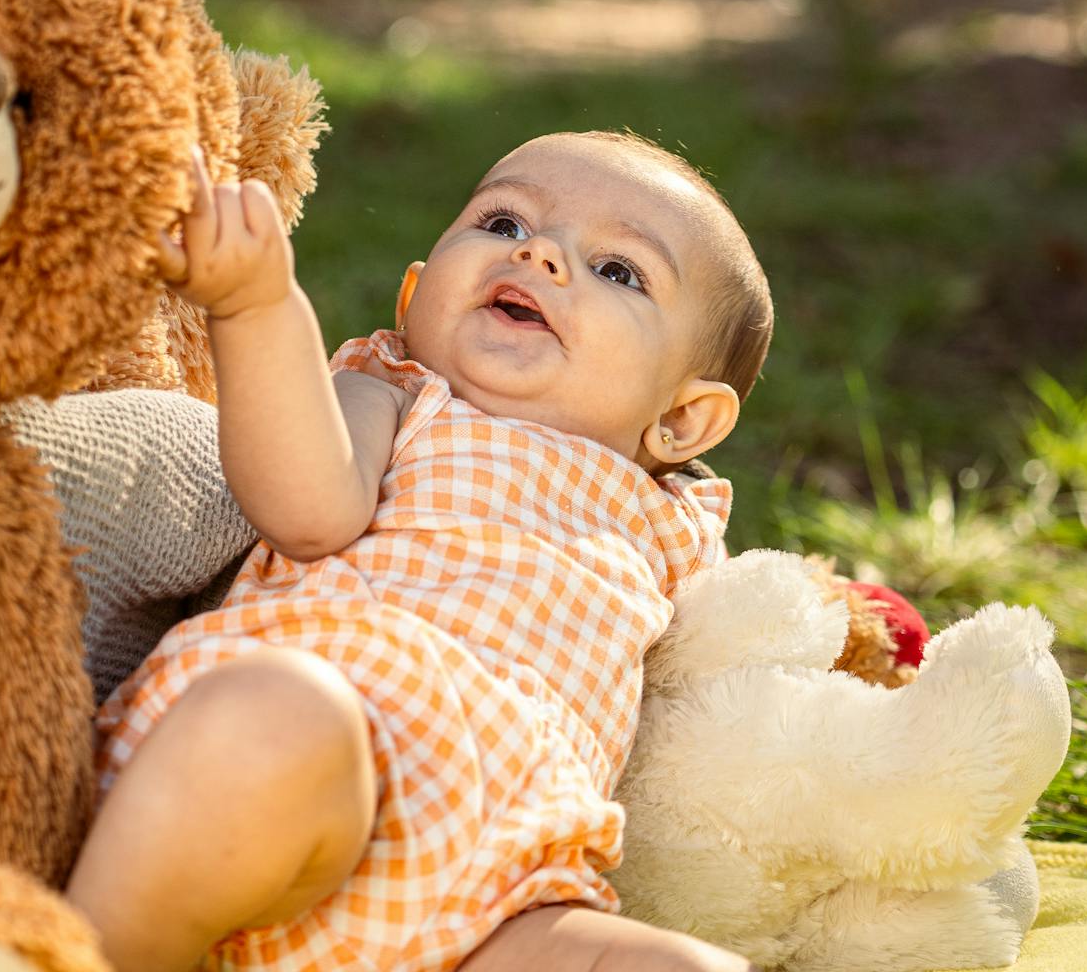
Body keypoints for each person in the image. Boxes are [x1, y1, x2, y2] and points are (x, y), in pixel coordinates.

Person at [65, 130, 774, 972]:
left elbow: (745, 662)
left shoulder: (673, 523)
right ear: (416, 298)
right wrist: (257, 305)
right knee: (266, 716)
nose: (540, 254)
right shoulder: (393, 393)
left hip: (501, 894)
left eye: (619, 270)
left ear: (683, 423)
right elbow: (307, 510)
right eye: (503, 221)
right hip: (306, 788)